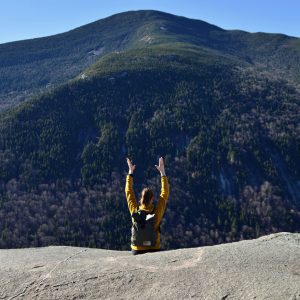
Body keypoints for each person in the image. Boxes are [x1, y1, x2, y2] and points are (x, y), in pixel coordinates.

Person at [125, 157, 169, 255]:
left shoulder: (135, 210)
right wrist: (162, 173)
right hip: (153, 248)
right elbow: (164, 194)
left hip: (137, 249)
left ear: (141, 198)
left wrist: (130, 172)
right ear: (152, 199)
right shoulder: (156, 213)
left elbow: (128, 192)